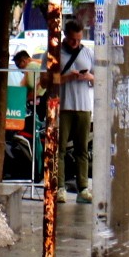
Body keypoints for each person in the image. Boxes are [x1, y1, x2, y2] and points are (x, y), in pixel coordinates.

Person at [53, 19, 94, 203]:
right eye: (72, 40)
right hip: (63, 107)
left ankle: (83, 188)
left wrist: (88, 76)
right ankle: (60, 187)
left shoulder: (87, 53)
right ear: (65, 36)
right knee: (59, 149)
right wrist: (67, 77)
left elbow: (98, 78)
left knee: (82, 149)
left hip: (84, 107)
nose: (75, 43)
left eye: (78, 40)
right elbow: (47, 81)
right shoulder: (55, 53)